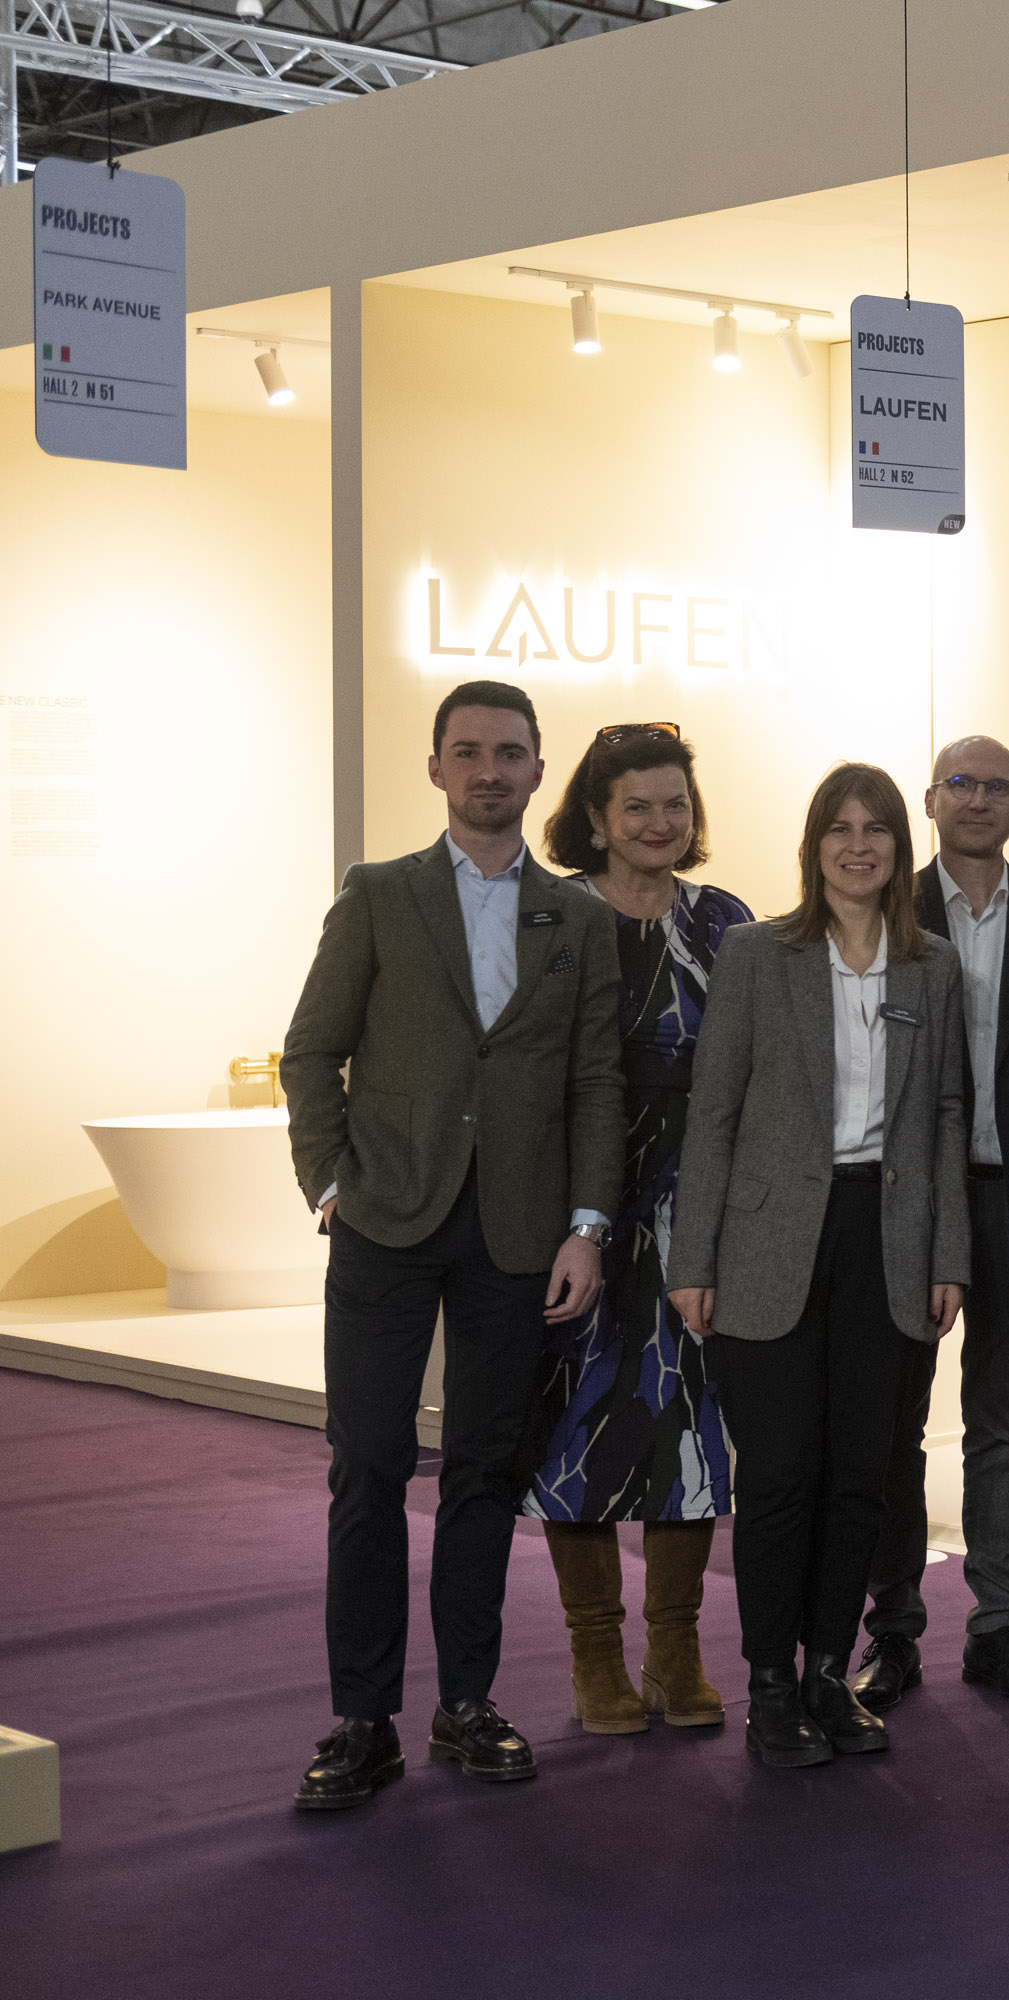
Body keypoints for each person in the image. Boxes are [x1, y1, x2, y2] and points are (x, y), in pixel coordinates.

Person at [280, 679, 624, 1810]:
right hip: (385, 1221)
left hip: (520, 1234)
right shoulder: (379, 895)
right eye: (467, 751)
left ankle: (466, 1704)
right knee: (369, 1465)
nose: (488, 770)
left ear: (537, 772)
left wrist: (587, 1225)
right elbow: (310, 1051)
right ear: (435, 768)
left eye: (509, 753)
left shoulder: (577, 918)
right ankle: (362, 1718)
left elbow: (594, 1081)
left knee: (484, 1471)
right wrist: (330, 1183)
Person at [666, 764, 969, 1770]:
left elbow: (946, 1116)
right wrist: (693, 1259)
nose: (858, 845)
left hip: (888, 1241)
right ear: (814, 846)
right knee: (782, 1473)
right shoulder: (757, 953)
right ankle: (769, 1683)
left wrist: (949, 1253)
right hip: (768, 1245)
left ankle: (829, 1673)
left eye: (875, 828)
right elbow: (713, 1113)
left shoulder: (931, 966)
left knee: (861, 1476)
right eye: (839, 828)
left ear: (899, 846)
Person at [520, 723, 750, 1738]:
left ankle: (675, 1648)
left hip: (699, 1211)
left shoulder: (726, 920)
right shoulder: (556, 913)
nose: (660, 823)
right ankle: (594, 1652)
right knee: (577, 1423)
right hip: (578, 1206)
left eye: (675, 805)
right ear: (597, 817)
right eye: (638, 806)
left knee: (691, 1427)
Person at [849, 736, 1009, 1713]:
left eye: (998, 786)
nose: (979, 799)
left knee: (1002, 1418)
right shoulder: (879, 913)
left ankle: (998, 1627)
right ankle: (891, 1630)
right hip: (907, 1199)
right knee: (893, 1423)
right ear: (931, 799)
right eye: (961, 783)